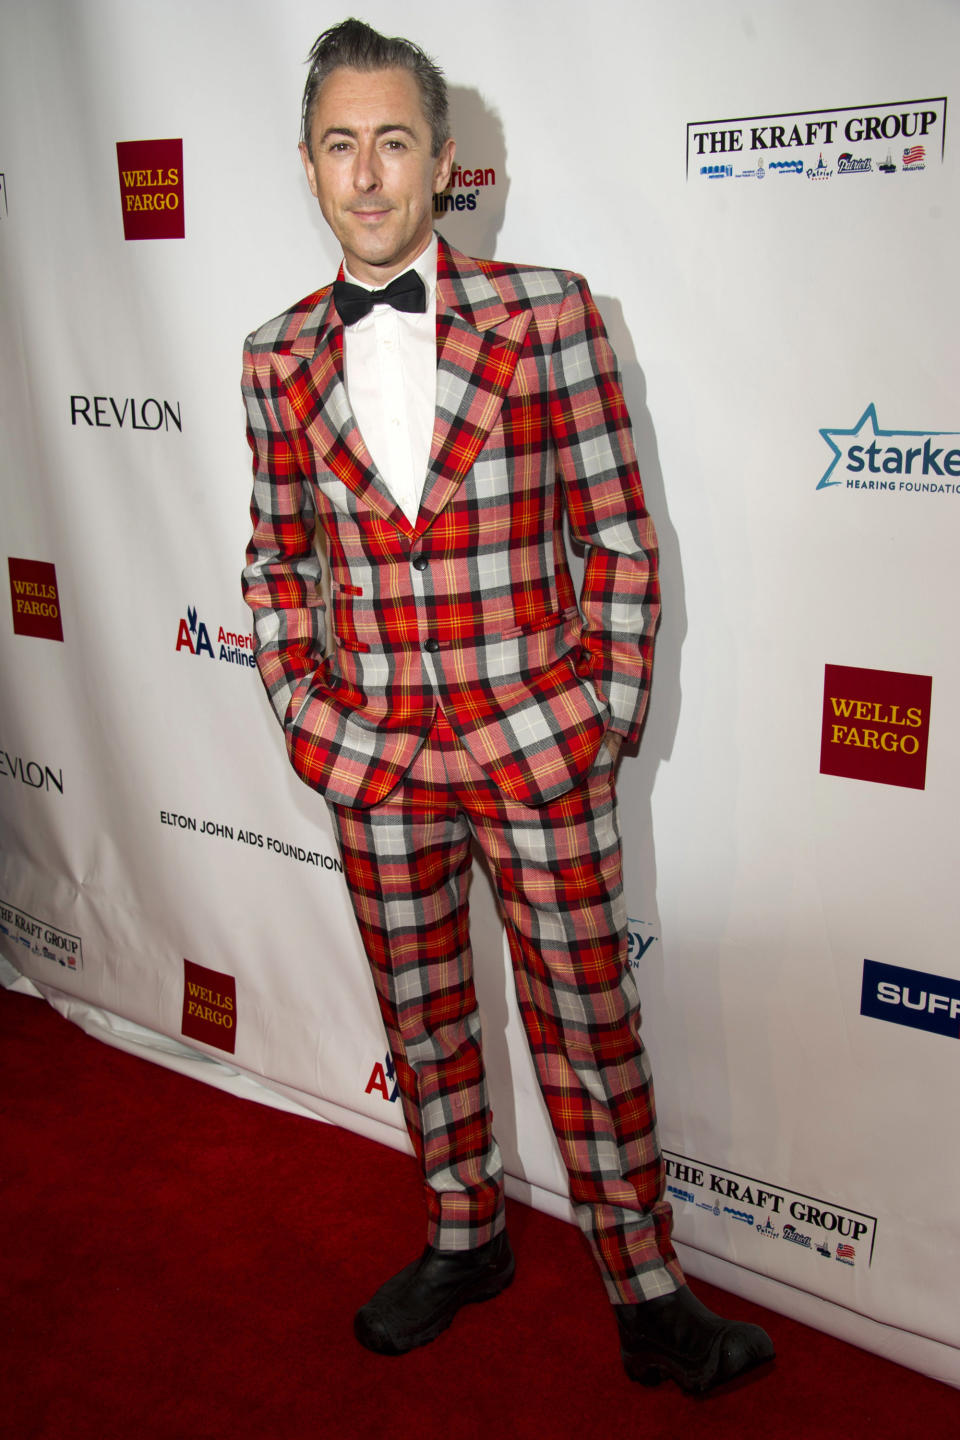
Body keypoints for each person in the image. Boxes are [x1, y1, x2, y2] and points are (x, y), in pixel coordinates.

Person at [242, 17, 774, 1394]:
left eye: (395, 143)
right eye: (341, 146)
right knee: (422, 1017)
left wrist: (596, 712)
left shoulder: (550, 315)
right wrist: (309, 718)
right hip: (370, 758)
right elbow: (275, 560)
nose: (368, 175)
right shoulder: (274, 356)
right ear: (309, 165)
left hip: (538, 743)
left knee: (590, 1016)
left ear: (446, 160)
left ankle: (646, 1283)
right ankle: (465, 1227)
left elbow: (620, 538)